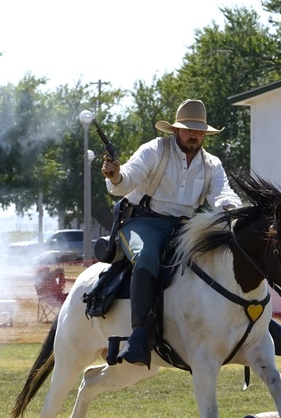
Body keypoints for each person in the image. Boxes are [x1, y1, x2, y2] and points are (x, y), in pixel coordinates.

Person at [101, 99, 242, 367]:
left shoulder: (212, 164)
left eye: (198, 131)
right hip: (144, 222)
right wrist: (116, 176)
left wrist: (235, 211)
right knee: (147, 256)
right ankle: (139, 335)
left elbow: (222, 194)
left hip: (185, 227)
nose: (194, 135)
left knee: (219, 255)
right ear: (175, 130)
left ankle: (255, 323)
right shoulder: (155, 149)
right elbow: (127, 179)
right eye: (188, 129)